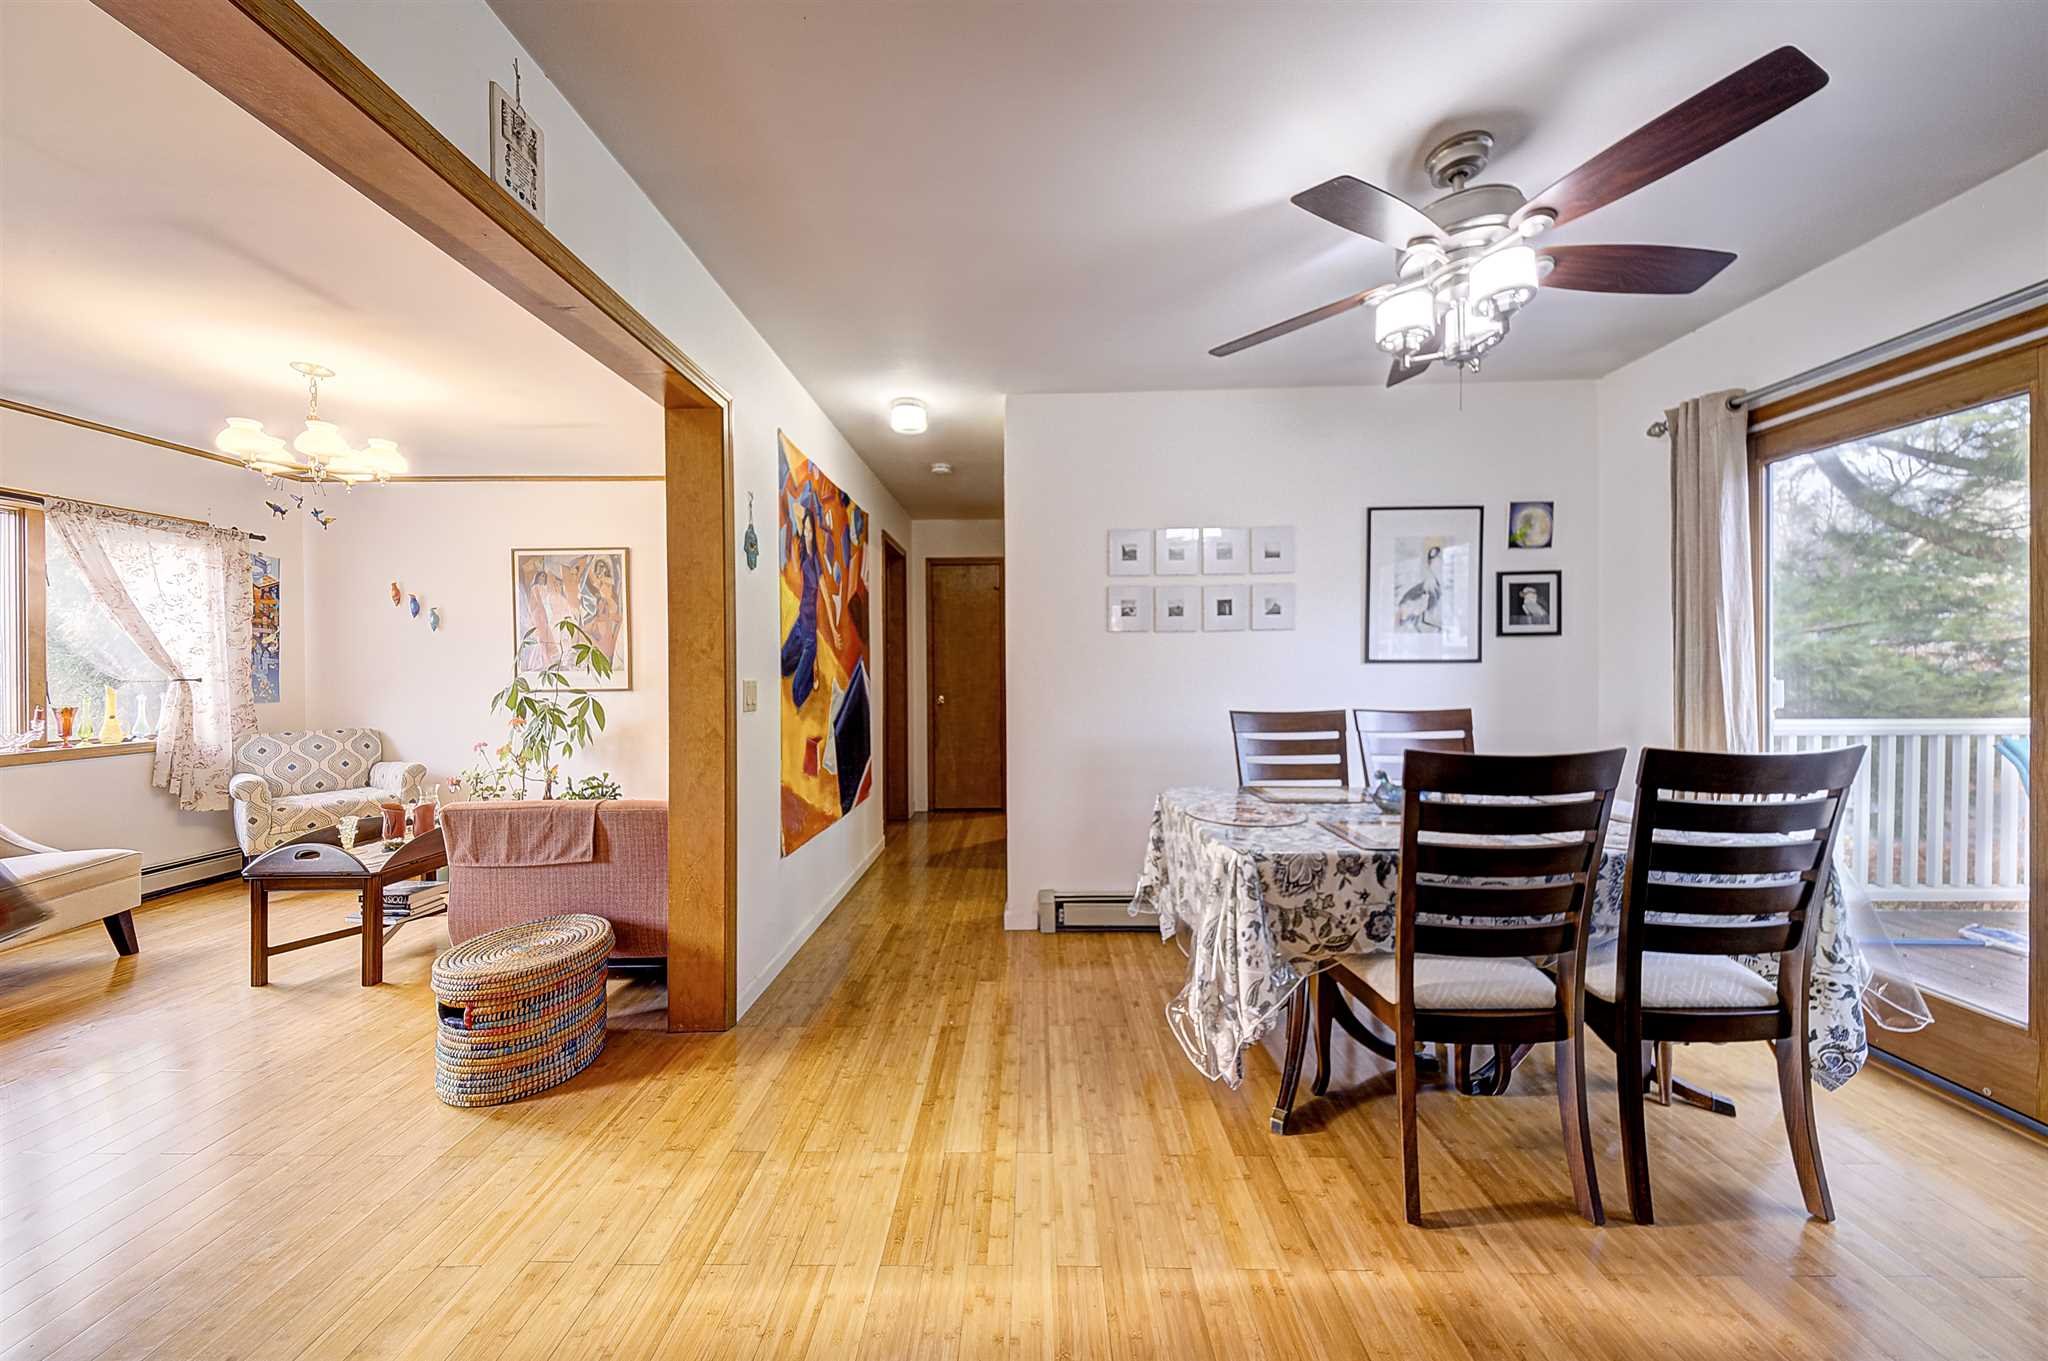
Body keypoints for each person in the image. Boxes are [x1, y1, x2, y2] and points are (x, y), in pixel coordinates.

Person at [781, 505, 823, 708]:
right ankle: (808, 662)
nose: (806, 535)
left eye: (810, 531)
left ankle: (811, 663)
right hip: (800, 621)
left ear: (815, 534)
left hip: (810, 632)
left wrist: (831, 629)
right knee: (782, 663)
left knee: (797, 693)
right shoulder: (804, 554)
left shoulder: (815, 561)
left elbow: (825, 599)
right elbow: (796, 511)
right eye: (805, 530)